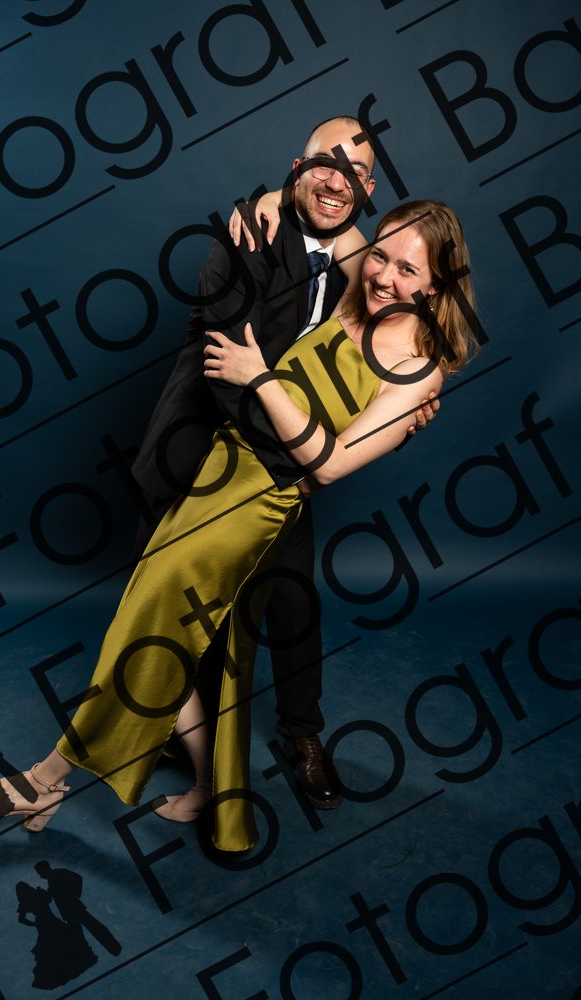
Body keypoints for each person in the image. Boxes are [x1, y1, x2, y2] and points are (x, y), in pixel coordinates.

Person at [0, 199, 479, 853]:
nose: (384, 276)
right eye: (380, 256)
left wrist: (258, 378)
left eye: (408, 270)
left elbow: (329, 465)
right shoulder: (357, 289)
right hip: (214, 472)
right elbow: (325, 209)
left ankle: (42, 782)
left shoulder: (417, 371)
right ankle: (214, 793)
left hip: (255, 503)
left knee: (148, 629)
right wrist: (271, 199)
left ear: (439, 284)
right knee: (174, 634)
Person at [130, 115, 436, 810]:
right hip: (197, 452)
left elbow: (395, 351)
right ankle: (189, 748)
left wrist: (412, 404)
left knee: (293, 602)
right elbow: (222, 368)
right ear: (296, 169)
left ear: (369, 189)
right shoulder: (248, 234)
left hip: (283, 469)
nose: (336, 182)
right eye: (322, 165)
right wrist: (307, 452)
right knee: (176, 612)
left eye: (354, 173)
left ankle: (302, 737)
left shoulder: (368, 264)